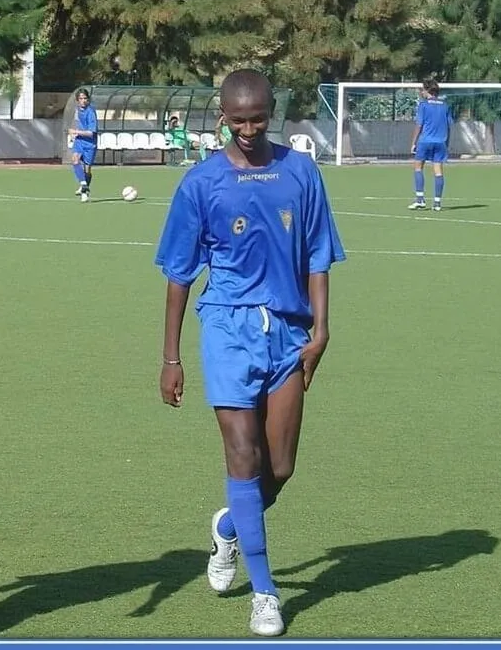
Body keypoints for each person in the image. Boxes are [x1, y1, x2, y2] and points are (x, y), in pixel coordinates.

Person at [154, 69, 345, 637]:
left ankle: (230, 526)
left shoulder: (301, 172)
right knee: (243, 456)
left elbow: (317, 255)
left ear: (271, 114)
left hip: (289, 332)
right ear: (222, 117)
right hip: (227, 328)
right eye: (236, 120)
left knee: (278, 468)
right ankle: (265, 593)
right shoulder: (201, 183)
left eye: (256, 119)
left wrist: (322, 329)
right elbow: (179, 276)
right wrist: (170, 357)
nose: (246, 129)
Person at [408, 78, 453, 212]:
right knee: (438, 171)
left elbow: (419, 125)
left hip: (425, 141)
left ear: (427, 90)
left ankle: (420, 200)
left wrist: (413, 143)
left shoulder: (423, 105)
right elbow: (449, 126)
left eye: (422, 89)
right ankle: (437, 203)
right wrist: (447, 143)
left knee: (418, 167)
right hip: (441, 142)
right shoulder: (445, 105)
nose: (421, 92)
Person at [67, 88, 97, 202]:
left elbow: (91, 133)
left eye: (85, 98)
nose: (83, 101)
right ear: (77, 100)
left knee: (87, 169)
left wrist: (76, 132)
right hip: (79, 141)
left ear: (88, 100)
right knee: (75, 159)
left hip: (90, 144)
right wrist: (73, 131)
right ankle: (84, 185)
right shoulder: (77, 110)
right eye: (81, 98)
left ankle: (85, 190)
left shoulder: (91, 113)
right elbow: (76, 122)